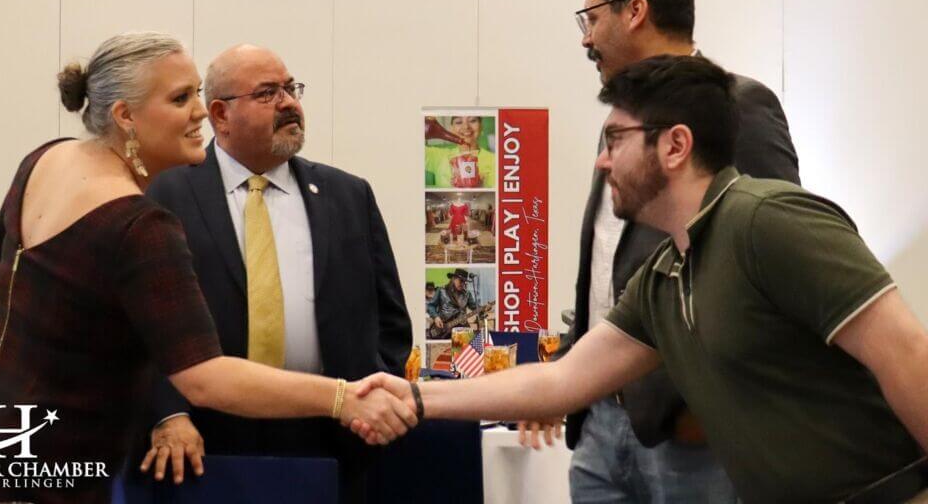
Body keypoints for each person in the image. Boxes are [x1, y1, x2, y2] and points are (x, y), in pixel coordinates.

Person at [358, 56, 928, 504]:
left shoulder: (768, 220)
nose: (603, 162)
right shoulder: (665, 275)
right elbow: (563, 382)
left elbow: (908, 353)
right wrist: (413, 393)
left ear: (675, 145)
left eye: (616, 140)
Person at [0, 32, 415, 504]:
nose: (199, 113)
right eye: (182, 98)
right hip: (54, 442)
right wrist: (342, 398)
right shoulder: (140, 221)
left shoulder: (48, 157)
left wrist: (50, 345)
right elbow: (204, 377)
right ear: (126, 116)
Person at [529, 0, 802, 503]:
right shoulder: (621, 120)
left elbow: (781, 262)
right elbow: (609, 268)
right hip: (601, 429)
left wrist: (706, 409)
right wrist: (567, 375)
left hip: (693, 443)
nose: (585, 38)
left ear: (635, 11)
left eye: (592, 18)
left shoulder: (737, 107)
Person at [141, 44, 412, 503]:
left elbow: (390, 322)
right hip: (202, 444)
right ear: (221, 114)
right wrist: (166, 414)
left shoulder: (347, 196)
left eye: (291, 88)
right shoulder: (163, 193)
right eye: (268, 93)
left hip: (333, 440)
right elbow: (134, 326)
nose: (289, 103)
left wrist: (370, 401)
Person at [424, 116, 497, 188]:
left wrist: (482, 187)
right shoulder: (437, 156)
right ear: (451, 129)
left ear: (481, 126)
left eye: (472, 121)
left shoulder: (496, 160)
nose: (466, 127)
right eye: (459, 122)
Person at [426, 269, 479, 340]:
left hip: (462, 327)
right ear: (454, 279)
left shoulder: (467, 294)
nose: (463, 284)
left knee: (470, 345)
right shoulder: (441, 290)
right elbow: (430, 305)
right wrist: (436, 317)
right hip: (444, 327)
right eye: (461, 281)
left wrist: (483, 308)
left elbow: (474, 307)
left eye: (464, 282)